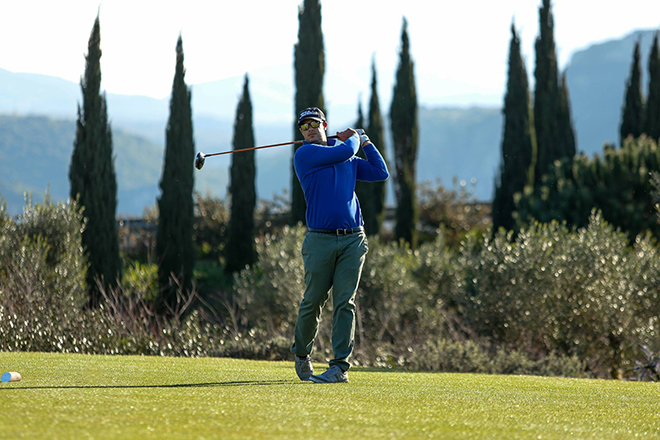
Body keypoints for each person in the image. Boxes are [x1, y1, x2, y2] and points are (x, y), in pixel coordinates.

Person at [291, 107, 389, 383]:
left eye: (313, 123)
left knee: (345, 302)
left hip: (353, 239)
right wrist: (356, 136)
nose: (309, 128)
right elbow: (345, 152)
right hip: (319, 239)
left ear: (324, 124)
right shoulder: (305, 154)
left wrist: (366, 141)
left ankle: (339, 367)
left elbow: (381, 173)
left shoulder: (346, 154)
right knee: (313, 301)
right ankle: (301, 353)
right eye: (303, 126)